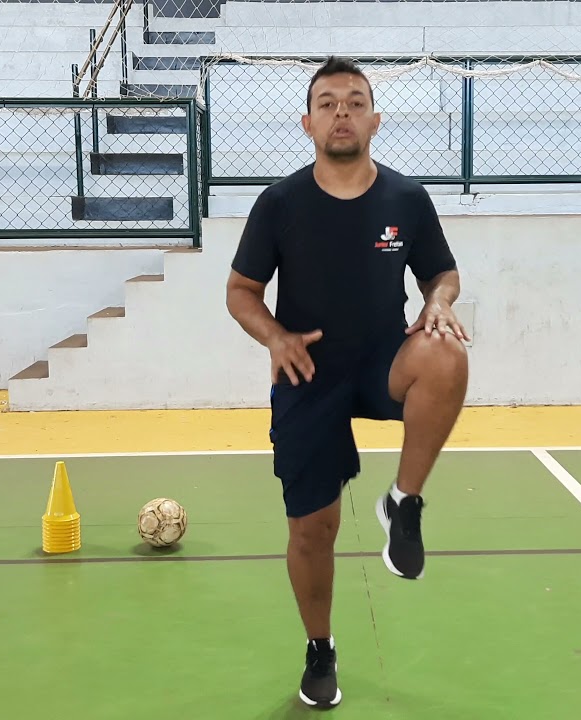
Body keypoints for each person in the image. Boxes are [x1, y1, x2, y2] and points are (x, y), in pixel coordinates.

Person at [224, 56, 470, 709]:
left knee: (446, 354)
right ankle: (319, 650)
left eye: (355, 101)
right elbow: (241, 291)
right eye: (328, 102)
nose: (342, 112)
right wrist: (275, 337)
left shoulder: (406, 199)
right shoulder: (279, 204)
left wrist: (439, 302)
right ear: (307, 122)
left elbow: (441, 275)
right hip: (309, 377)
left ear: (375, 120)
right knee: (314, 530)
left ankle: (405, 503)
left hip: (384, 360)